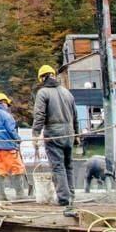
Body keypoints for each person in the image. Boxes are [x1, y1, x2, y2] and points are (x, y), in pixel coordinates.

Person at [32, 64, 79, 215]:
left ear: (42, 78)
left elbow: (39, 115)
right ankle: (71, 196)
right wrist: (76, 136)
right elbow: (75, 116)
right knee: (69, 166)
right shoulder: (67, 93)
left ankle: (64, 199)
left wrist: (35, 134)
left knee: (58, 166)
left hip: (54, 134)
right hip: (69, 133)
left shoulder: (43, 93)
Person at [0, 92, 25, 200]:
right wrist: (18, 139)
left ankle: (1, 195)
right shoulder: (6, 115)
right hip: (8, 147)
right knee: (17, 169)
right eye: (7, 104)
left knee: (0, 170)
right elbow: (11, 130)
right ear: (3, 102)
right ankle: (20, 194)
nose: (8, 106)